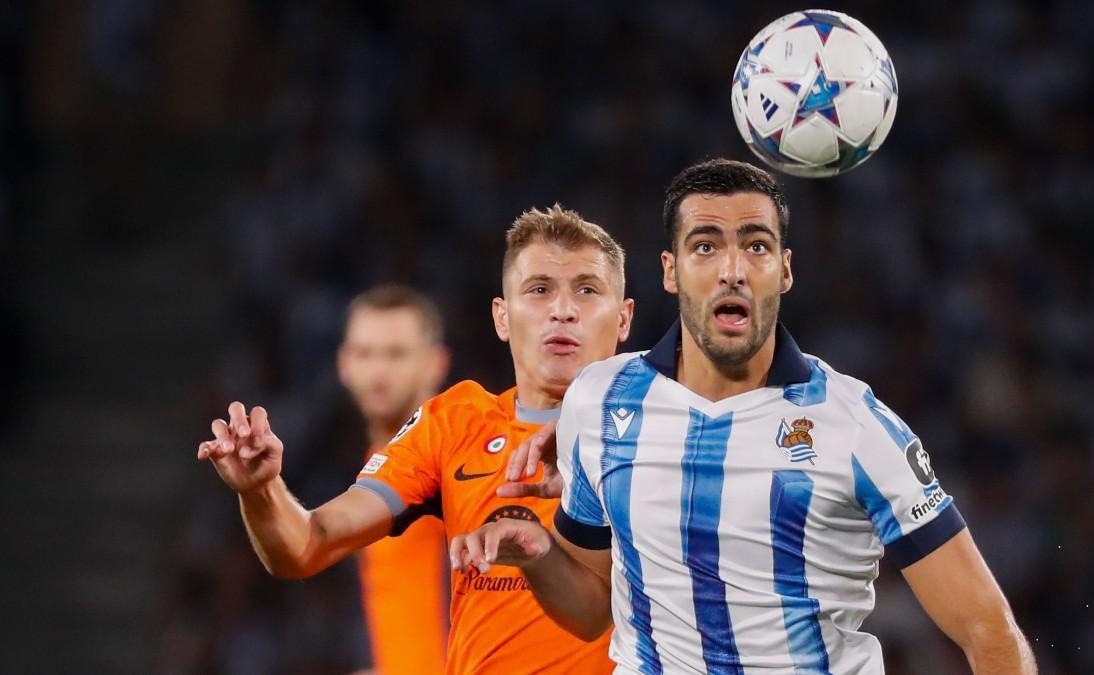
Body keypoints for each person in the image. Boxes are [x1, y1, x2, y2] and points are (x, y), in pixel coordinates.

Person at [451, 160, 1038, 674]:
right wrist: (538, 554)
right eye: (705, 245)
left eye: (755, 245)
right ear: (670, 270)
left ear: (783, 270)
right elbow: (587, 610)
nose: (732, 268)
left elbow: (987, 630)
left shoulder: (853, 425)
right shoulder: (598, 402)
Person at [197, 205, 634, 674]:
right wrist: (259, 490)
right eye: (539, 290)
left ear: (624, 319)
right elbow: (307, 544)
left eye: (587, 290)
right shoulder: (453, 425)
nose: (563, 310)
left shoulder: (668, 426)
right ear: (501, 318)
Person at [337, 284, 451, 674]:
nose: (378, 371)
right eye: (365, 354)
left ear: (436, 362)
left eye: (396, 354)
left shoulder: (457, 456)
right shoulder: (378, 464)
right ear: (344, 364)